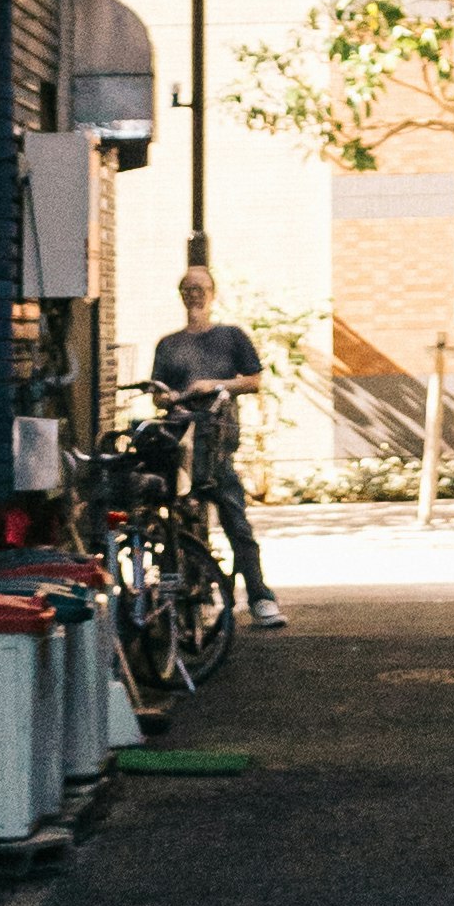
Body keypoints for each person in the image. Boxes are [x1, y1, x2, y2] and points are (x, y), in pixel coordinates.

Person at [147, 253, 284, 629]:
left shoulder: (231, 336)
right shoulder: (168, 344)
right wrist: (168, 398)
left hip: (218, 444)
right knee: (178, 525)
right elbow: (158, 393)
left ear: (213, 293)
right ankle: (191, 598)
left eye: (201, 289)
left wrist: (214, 385)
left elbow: (254, 380)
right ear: (180, 294)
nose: (195, 295)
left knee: (237, 523)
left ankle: (259, 597)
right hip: (181, 447)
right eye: (188, 289)